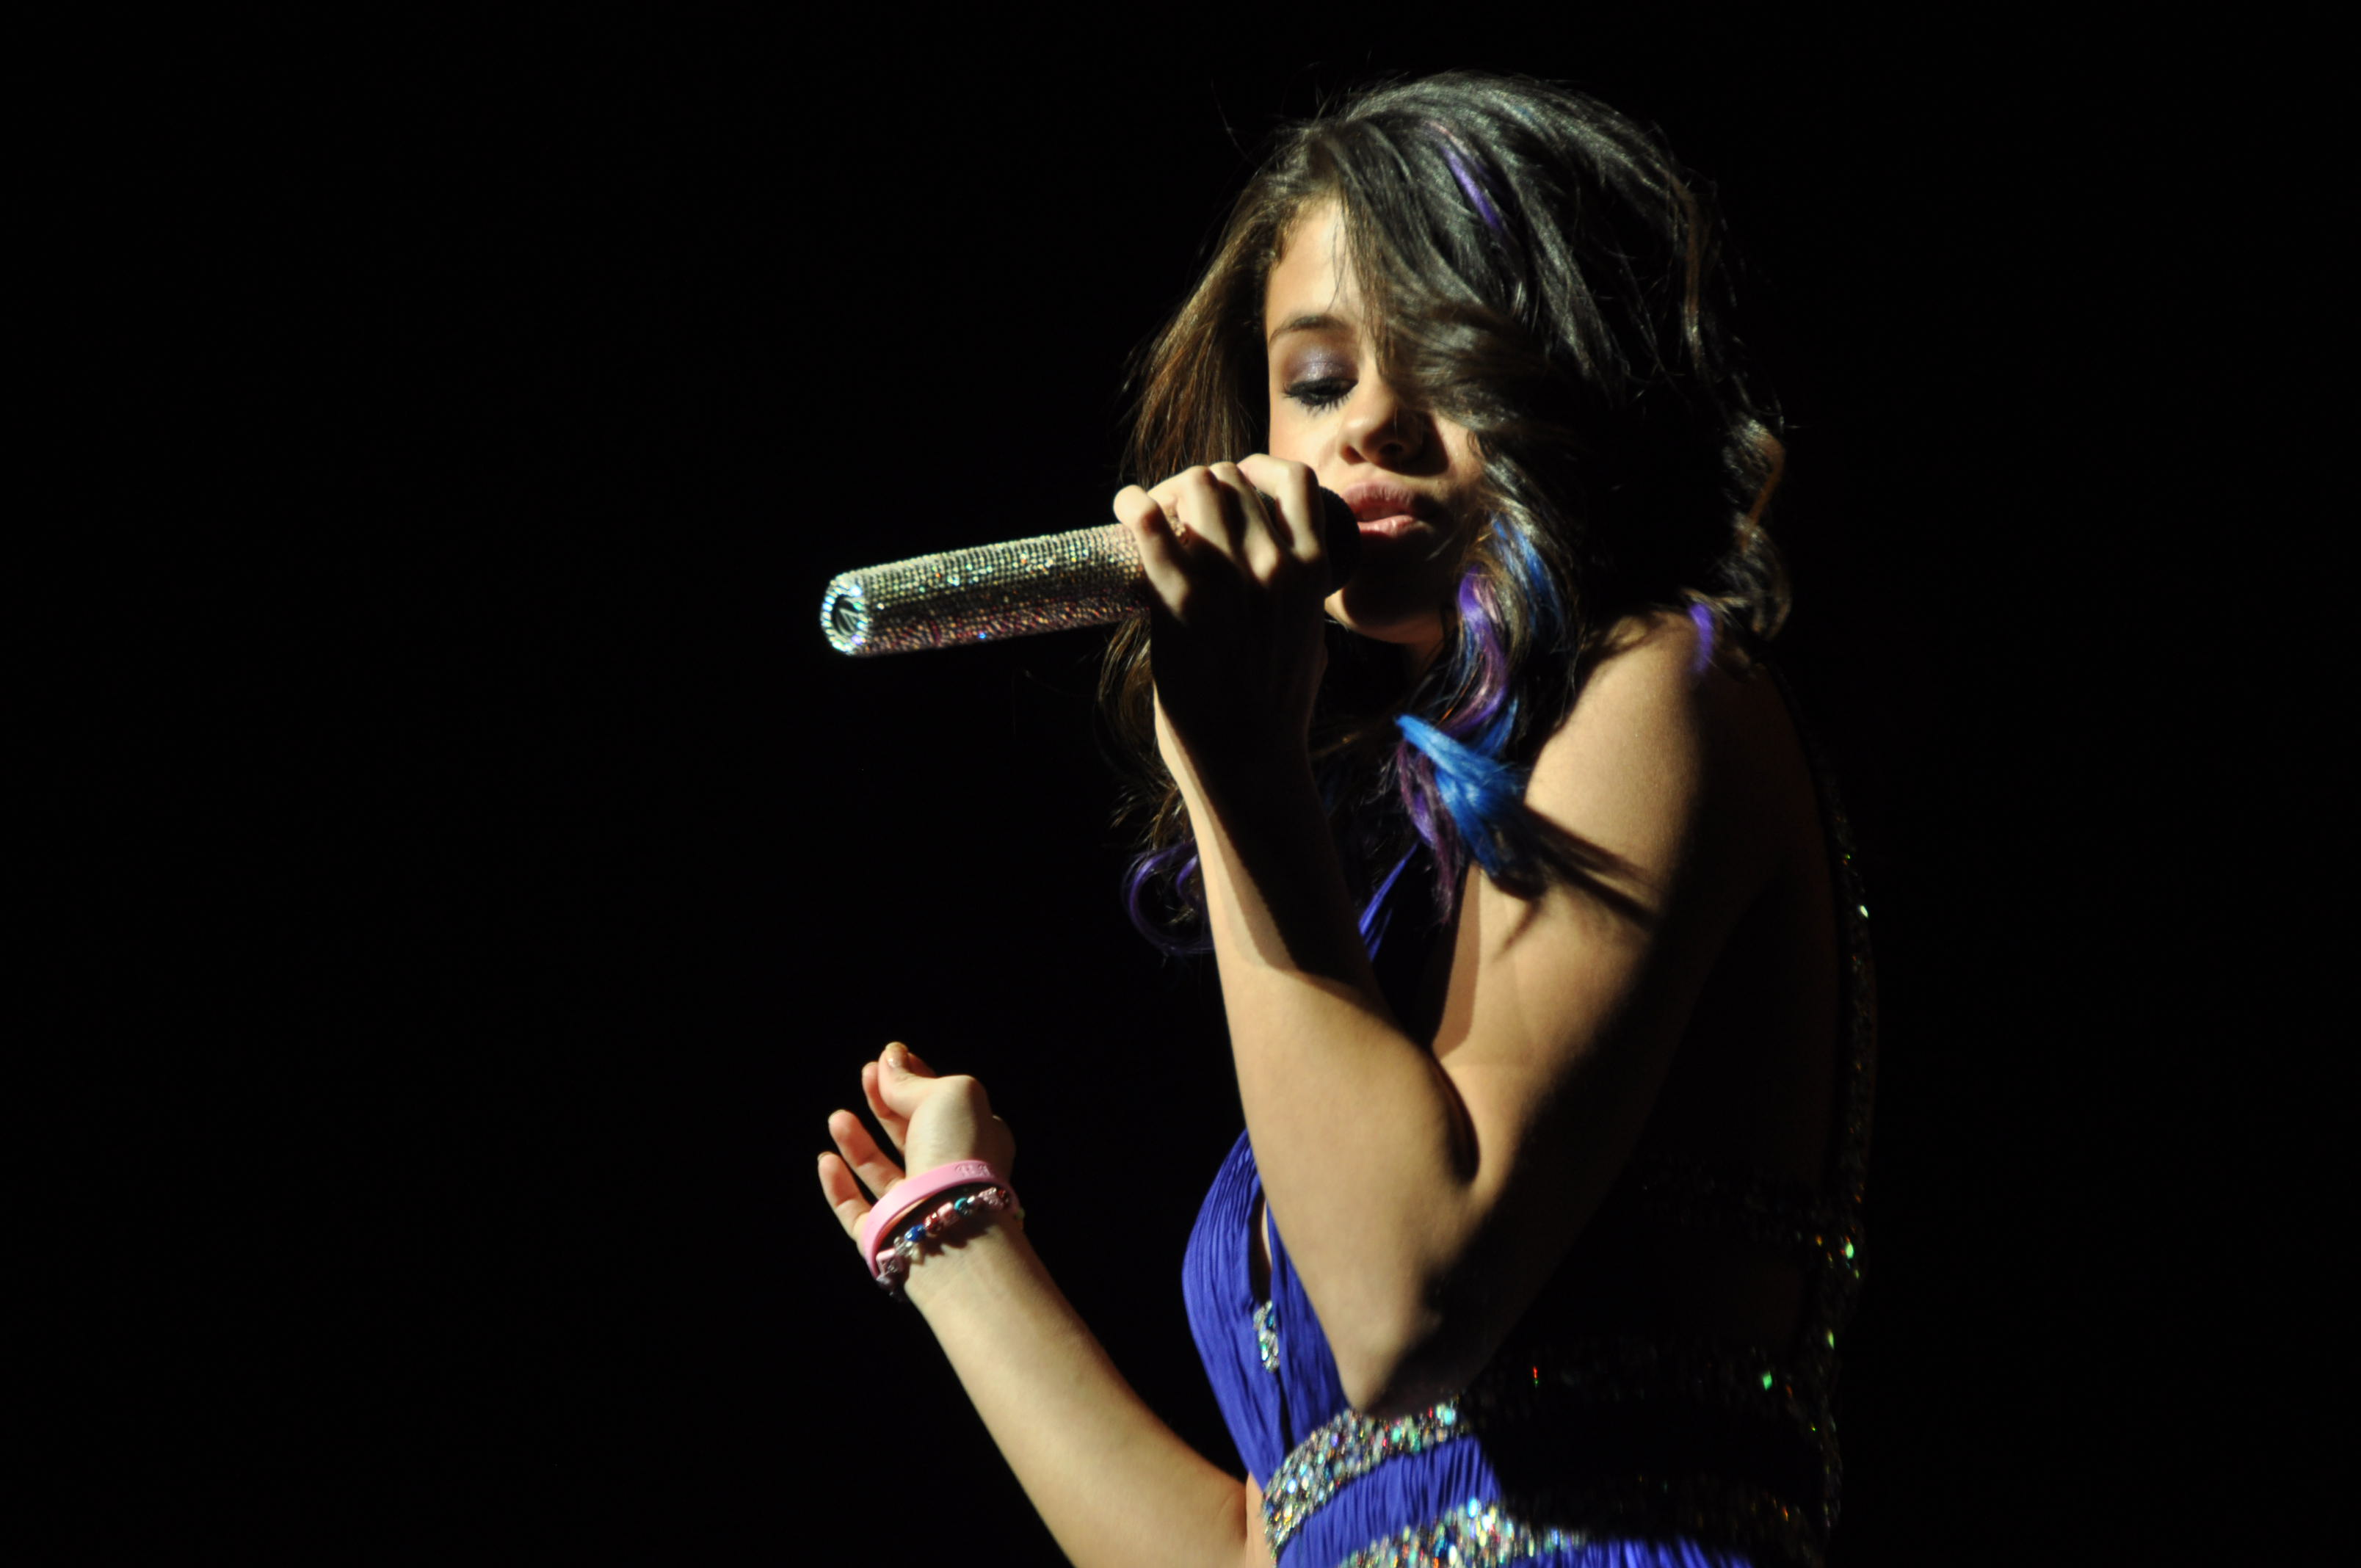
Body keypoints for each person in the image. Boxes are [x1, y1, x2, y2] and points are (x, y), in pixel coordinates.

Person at [817, 70, 1874, 1568]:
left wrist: (1237, 763)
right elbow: (1276, 1543)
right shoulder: (1384, 898)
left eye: (1446, 355)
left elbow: (1404, 1306)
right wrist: (953, 1240)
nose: (1368, 419)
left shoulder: (1668, 687)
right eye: (1315, 380)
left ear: (1583, 370)